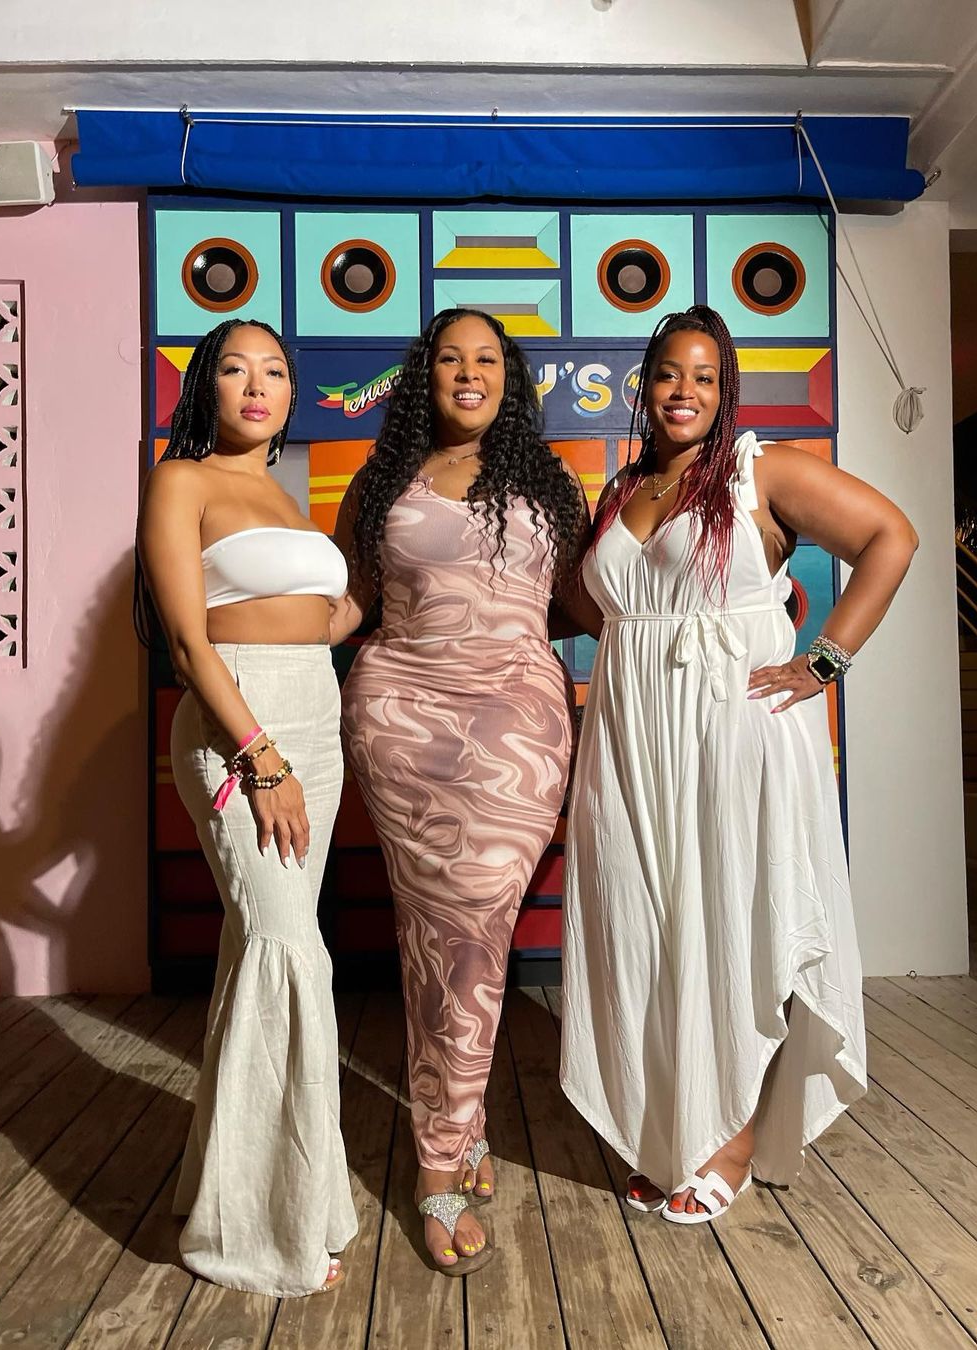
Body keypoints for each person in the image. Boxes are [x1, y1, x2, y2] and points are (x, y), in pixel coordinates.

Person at [560, 305, 918, 1224]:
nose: (685, 391)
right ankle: (667, 1131)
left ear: (727, 391)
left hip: (734, 731)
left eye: (705, 376)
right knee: (642, 929)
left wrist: (823, 661)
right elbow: (604, 609)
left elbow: (892, 537)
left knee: (734, 926)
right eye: (669, 373)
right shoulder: (623, 488)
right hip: (632, 738)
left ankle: (732, 1141)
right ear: (644, 385)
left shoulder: (763, 470)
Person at [332, 308, 589, 1273]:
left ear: (508, 380)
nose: (468, 372)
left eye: (487, 359)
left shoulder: (549, 483)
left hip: (517, 726)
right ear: (425, 375)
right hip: (401, 715)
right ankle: (451, 1147)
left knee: (477, 933)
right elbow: (349, 604)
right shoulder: (381, 479)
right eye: (450, 358)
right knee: (432, 935)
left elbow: (585, 601)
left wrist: (711, 609)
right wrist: (234, 634)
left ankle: (447, 1135)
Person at [136, 319, 356, 1295]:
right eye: (235, 368)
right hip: (242, 726)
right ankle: (263, 1237)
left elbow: (320, 619)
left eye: (273, 371)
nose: (257, 385)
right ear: (206, 388)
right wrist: (262, 757)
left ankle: (234, 1194)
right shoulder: (181, 480)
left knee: (254, 955)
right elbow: (189, 644)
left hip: (316, 712)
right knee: (285, 950)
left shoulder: (286, 494)